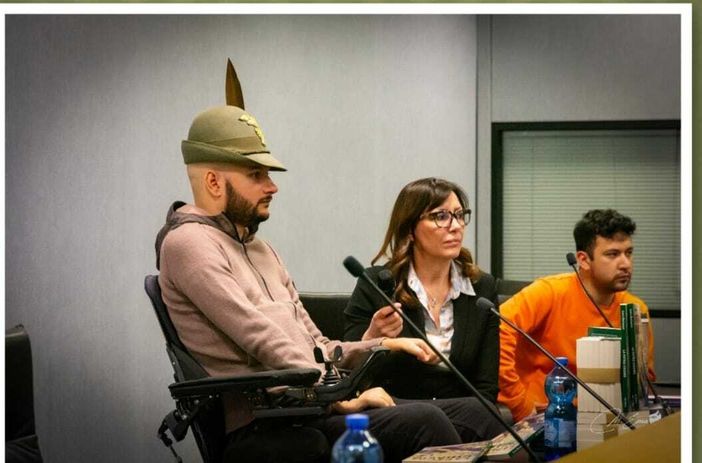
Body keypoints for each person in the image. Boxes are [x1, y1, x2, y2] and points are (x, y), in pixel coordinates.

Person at [155, 105, 503, 463]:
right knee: (425, 422)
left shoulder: (261, 249)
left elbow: (317, 344)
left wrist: (381, 344)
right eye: (256, 175)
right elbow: (259, 336)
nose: (272, 186)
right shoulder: (188, 244)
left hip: (309, 405)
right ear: (214, 182)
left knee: (480, 413)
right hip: (270, 420)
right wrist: (340, 397)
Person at [344, 178, 500, 404]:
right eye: (441, 216)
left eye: (459, 215)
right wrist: (372, 338)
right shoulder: (376, 285)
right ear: (410, 230)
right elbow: (349, 376)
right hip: (397, 410)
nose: (456, 226)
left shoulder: (482, 288)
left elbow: (487, 388)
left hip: (464, 411)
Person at [498, 209, 656, 422]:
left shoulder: (635, 309)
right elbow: (496, 330)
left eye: (628, 253)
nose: (625, 264)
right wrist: (519, 404)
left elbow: (645, 378)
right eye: (612, 254)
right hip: (545, 418)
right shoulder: (549, 292)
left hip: (607, 420)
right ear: (583, 260)